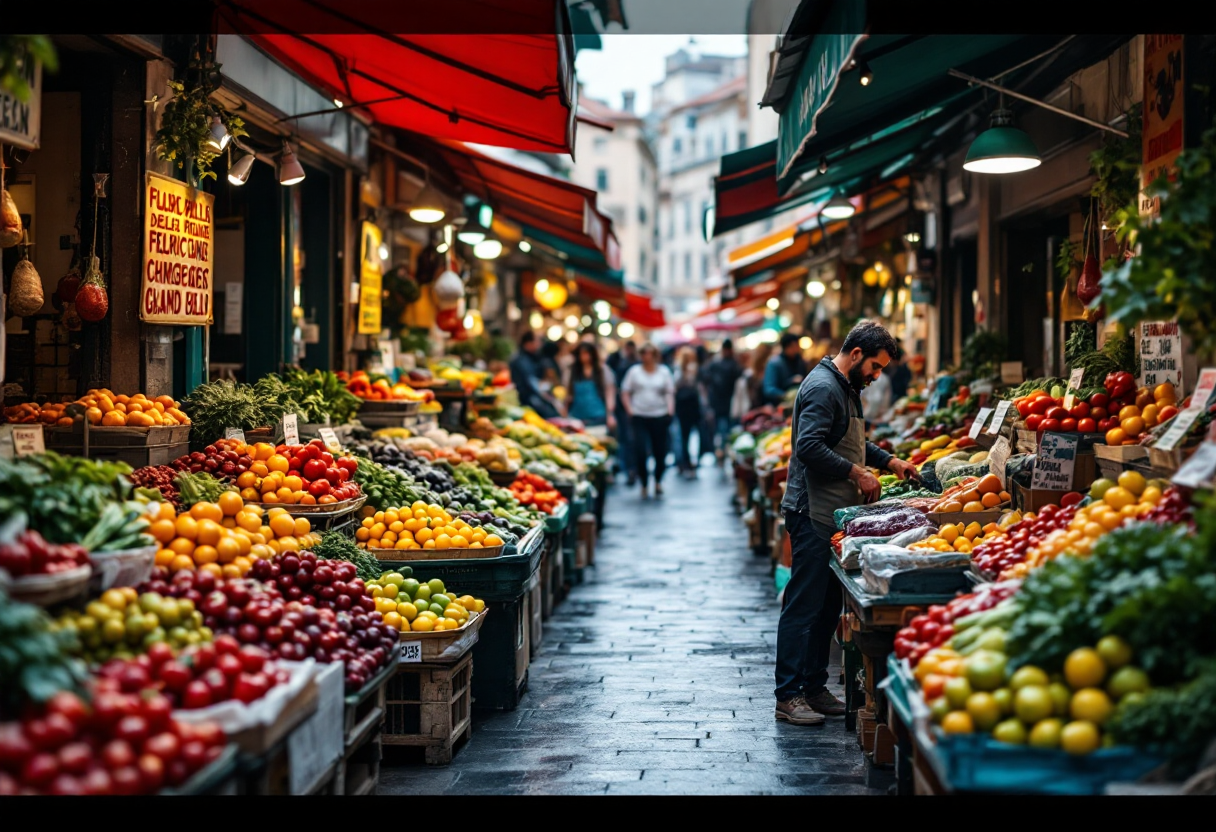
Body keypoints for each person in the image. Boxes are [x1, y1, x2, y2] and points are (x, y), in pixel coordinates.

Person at [774, 320, 920, 725]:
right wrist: (856, 473)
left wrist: (889, 461)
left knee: (824, 607)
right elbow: (809, 448)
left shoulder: (846, 387)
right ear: (856, 354)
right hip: (812, 511)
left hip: (833, 512)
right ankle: (787, 695)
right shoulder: (823, 388)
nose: (876, 376)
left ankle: (814, 686)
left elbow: (849, 442)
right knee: (803, 605)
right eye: (874, 366)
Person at [620, 342, 675, 499]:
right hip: (639, 415)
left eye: (649, 353)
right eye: (643, 353)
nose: (646, 356)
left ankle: (658, 481)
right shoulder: (634, 372)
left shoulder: (663, 372)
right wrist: (629, 409)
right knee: (640, 450)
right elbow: (625, 391)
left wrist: (670, 410)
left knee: (660, 450)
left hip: (659, 415)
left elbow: (669, 392)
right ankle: (644, 482)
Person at [702, 338, 744, 464]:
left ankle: (722, 450)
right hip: (728, 404)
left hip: (720, 403)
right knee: (726, 429)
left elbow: (706, 380)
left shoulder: (715, 364)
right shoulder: (734, 364)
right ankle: (724, 450)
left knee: (722, 429)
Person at [607, 341, 639, 484]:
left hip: (637, 408)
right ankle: (629, 469)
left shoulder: (636, 363)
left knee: (633, 439)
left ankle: (634, 468)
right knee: (625, 438)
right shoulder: (616, 360)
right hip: (623, 408)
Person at [564, 341, 616, 429]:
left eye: (587, 353)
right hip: (577, 416)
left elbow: (609, 392)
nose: (585, 357)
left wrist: (610, 415)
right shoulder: (572, 371)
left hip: (598, 414)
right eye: (582, 354)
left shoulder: (602, 370)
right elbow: (567, 394)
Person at [673, 347, 706, 477]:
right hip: (685, 406)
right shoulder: (679, 370)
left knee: (690, 434)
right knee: (685, 435)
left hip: (691, 406)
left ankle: (691, 460)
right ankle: (685, 460)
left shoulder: (695, 370)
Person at [510, 332, 559, 418]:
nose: (539, 344)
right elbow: (530, 383)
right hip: (527, 401)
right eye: (536, 341)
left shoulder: (532, 358)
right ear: (528, 343)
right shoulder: (521, 360)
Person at [762, 333, 808, 406]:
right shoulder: (774, 363)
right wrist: (787, 394)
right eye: (794, 346)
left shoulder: (800, 361)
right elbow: (769, 389)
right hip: (779, 406)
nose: (797, 349)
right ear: (786, 347)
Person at [744, 343, 773, 414]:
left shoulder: (751, 373)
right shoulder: (752, 374)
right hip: (759, 412)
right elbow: (754, 399)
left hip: (761, 411)